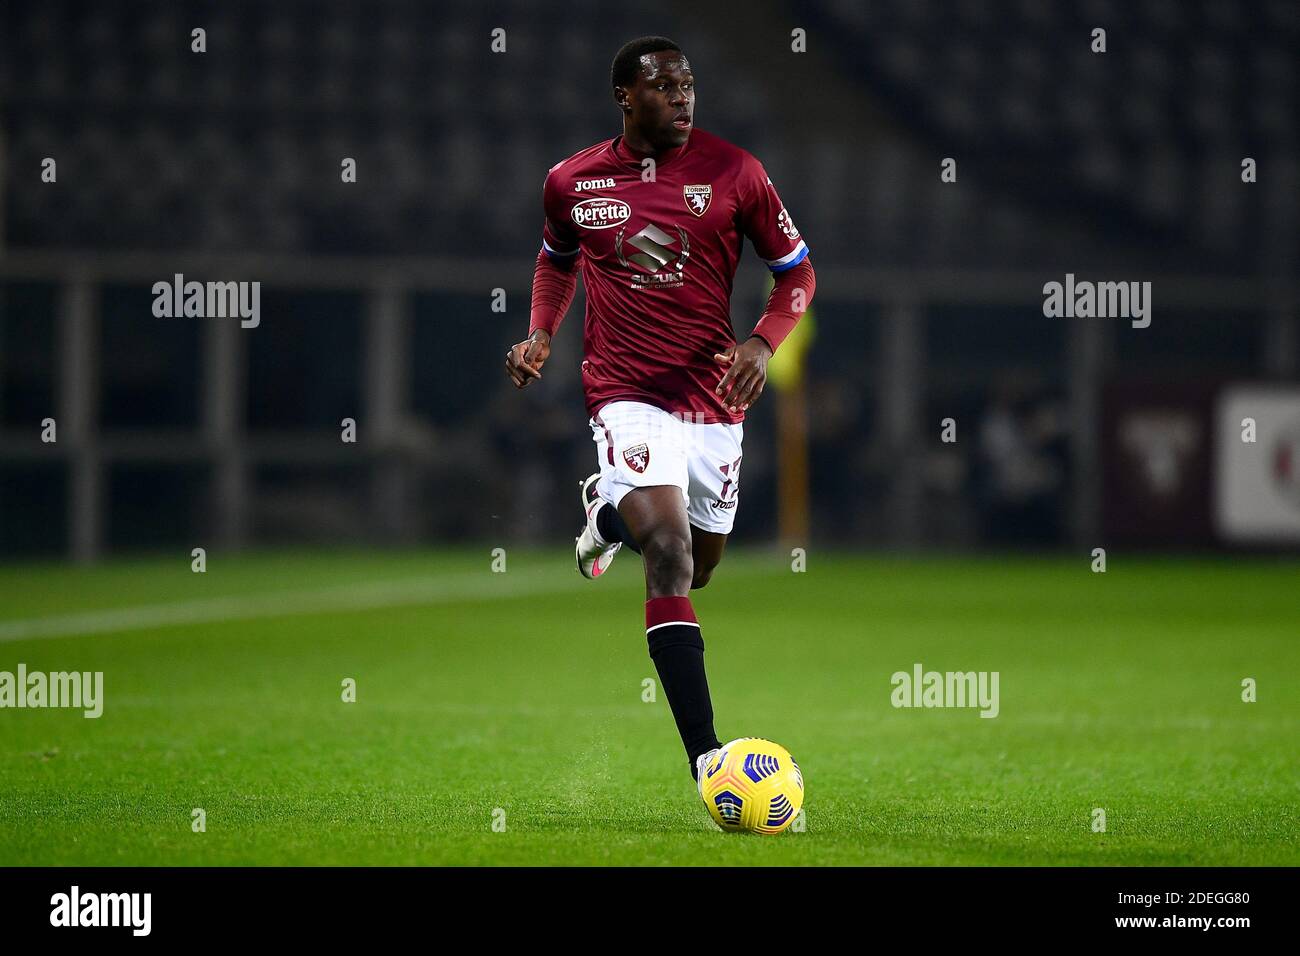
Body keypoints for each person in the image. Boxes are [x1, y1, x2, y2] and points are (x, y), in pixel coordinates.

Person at [504, 36, 816, 784]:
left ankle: (605, 518)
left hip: (712, 401)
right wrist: (541, 333)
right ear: (626, 96)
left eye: (690, 86)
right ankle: (708, 759)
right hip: (625, 394)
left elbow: (797, 274)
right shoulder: (572, 182)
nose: (683, 98)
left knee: (700, 567)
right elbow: (556, 256)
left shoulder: (735, 171)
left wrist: (764, 345)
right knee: (670, 558)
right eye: (666, 86)